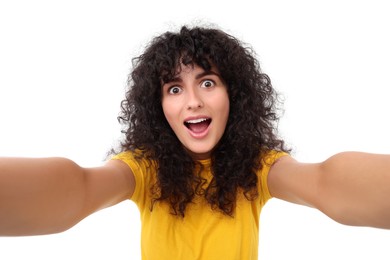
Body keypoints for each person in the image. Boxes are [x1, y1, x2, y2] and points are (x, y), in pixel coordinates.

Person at [0, 25, 389, 259]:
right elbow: (80, 188)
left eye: (207, 82)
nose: (193, 101)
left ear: (233, 93)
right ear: (159, 106)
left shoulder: (258, 167)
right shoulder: (143, 169)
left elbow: (324, 181)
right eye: (174, 88)